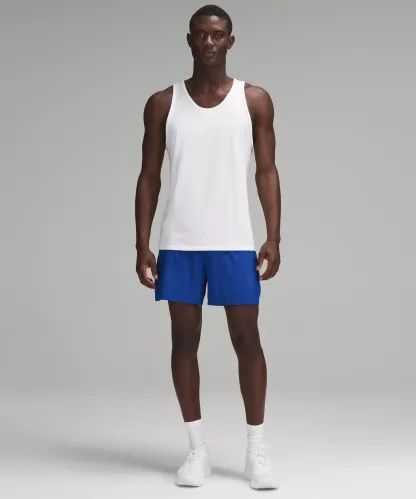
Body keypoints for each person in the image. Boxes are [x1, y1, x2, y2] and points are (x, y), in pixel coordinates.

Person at [135, 4, 281, 490]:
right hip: (179, 242)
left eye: (217, 35)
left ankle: (256, 451)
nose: (209, 42)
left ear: (230, 41)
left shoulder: (253, 100)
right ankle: (196, 450)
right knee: (184, 340)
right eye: (201, 34)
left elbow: (266, 171)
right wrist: (141, 244)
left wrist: (274, 236)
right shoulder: (163, 103)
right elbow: (149, 176)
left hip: (234, 240)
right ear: (189, 40)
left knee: (247, 340)